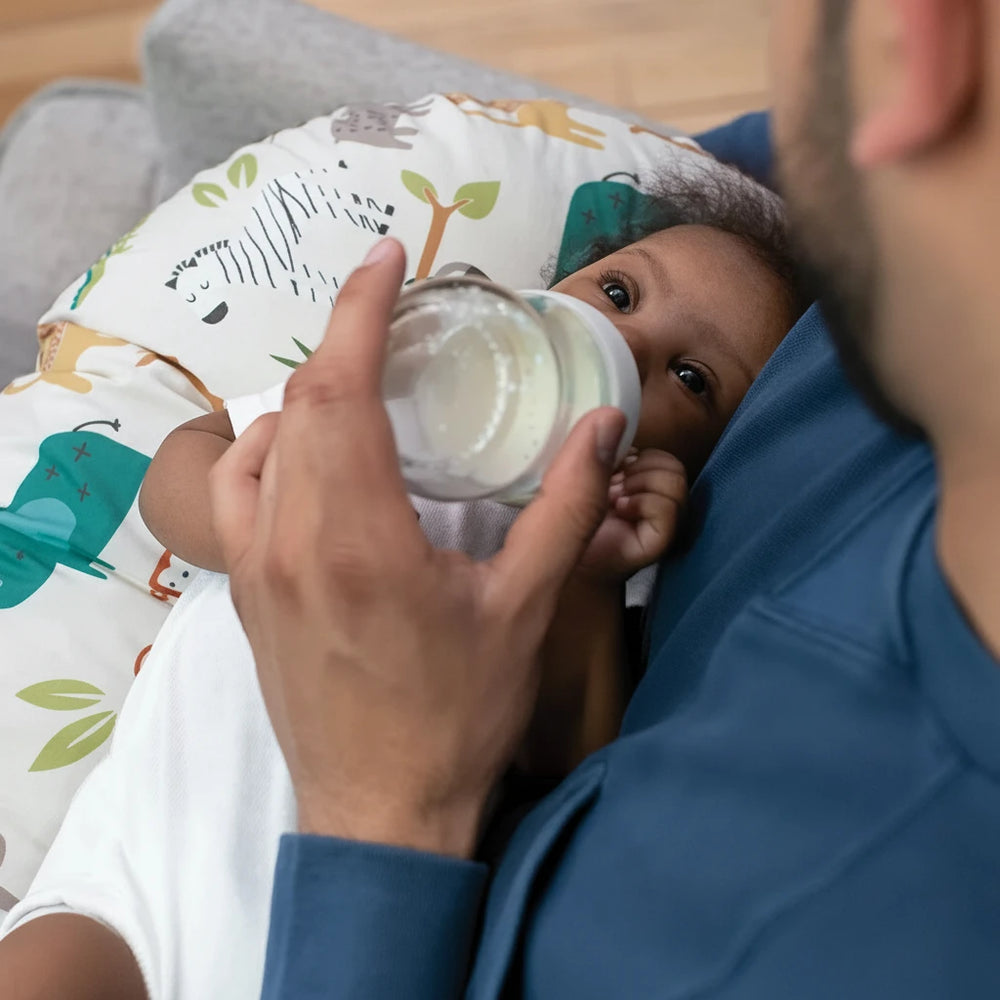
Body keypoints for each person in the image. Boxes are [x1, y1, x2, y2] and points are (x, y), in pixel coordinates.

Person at [0, 164, 807, 997]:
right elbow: (177, 470)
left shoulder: (613, 560)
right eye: (619, 292)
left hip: (361, 916)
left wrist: (590, 580)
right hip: (135, 879)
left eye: (692, 378)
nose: (627, 345)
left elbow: (568, 768)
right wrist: (249, 534)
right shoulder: (384, 390)